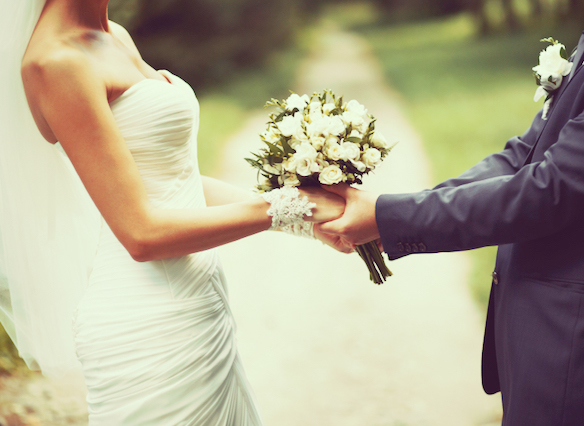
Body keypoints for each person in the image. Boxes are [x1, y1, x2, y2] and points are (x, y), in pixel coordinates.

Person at [0, 0, 350, 424]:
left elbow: (175, 182)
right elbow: (141, 233)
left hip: (202, 307)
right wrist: (292, 205)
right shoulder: (55, 61)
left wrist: (308, 221)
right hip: (148, 326)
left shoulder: (114, 35)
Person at [320, 0, 584, 424]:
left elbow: (551, 189)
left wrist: (386, 217)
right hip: (543, 335)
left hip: (583, 343)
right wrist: (394, 211)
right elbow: (522, 155)